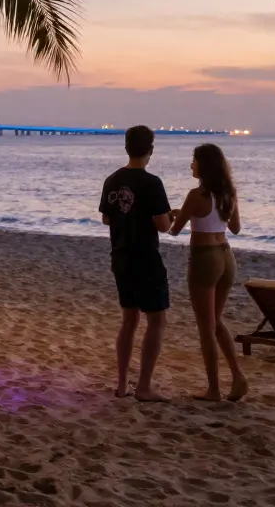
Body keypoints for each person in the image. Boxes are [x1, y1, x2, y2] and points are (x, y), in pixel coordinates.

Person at [99, 126, 174, 402]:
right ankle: (143, 385)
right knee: (157, 319)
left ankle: (121, 384)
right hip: (145, 257)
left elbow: (107, 218)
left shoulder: (112, 180)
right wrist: (170, 216)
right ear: (150, 150)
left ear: (126, 147)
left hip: (120, 256)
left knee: (129, 319)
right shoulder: (152, 183)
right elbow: (163, 225)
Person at [169, 144, 249, 402]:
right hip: (226, 256)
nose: (191, 165)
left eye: (193, 161)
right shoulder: (229, 193)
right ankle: (237, 376)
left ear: (204, 165)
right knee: (216, 320)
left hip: (205, 258)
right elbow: (235, 228)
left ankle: (213, 389)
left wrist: (172, 215)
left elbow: (174, 230)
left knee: (206, 326)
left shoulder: (196, 195)